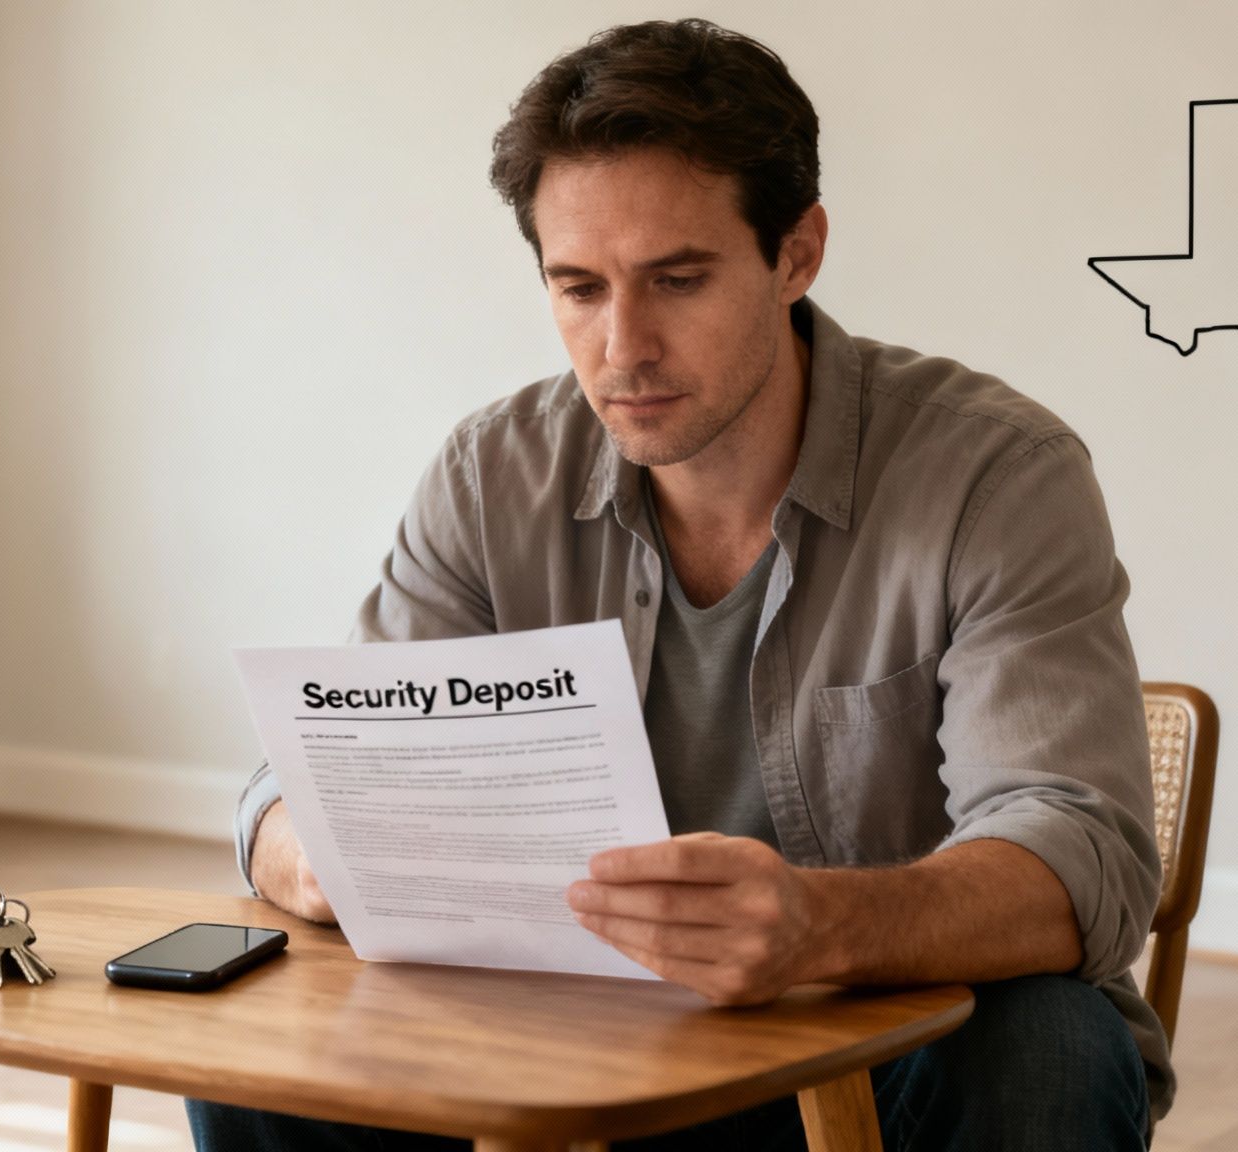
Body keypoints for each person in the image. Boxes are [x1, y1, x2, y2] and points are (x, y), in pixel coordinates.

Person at [193, 18, 1170, 1151]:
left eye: (677, 279)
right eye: (577, 287)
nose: (621, 347)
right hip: (568, 1045)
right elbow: (313, 773)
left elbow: (1076, 853)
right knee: (256, 1045)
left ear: (795, 253)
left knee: (1047, 1044)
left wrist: (817, 926)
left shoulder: (993, 475)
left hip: (880, 1048)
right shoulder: (487, 473)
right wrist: (303, 849)